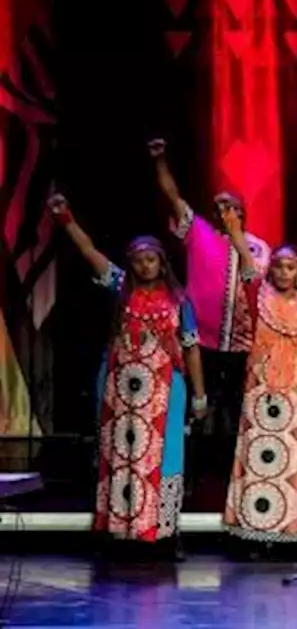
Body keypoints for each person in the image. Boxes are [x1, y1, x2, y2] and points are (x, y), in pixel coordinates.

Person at [48, 194, 206, 557]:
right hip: (123, 392)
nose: (145, 266)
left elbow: (192, 348)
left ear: (161, 262)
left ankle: (165, 535)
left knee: (165, 460)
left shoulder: (179, 301)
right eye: (139, 261)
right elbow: (89, 252)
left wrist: (200, 396)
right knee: (122, 458)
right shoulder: (122, 289)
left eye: (151, 260)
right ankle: (120, 532)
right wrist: (66, 219)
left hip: (168, 391)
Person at [149, 139, 269, 488]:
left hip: (242, 345)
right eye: (218, 207)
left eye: (230, 206)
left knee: (236, 415)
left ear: (242, 212)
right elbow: (173, 196)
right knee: (198, 412)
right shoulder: (198, 232)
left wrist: (236, 236)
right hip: (200, 342)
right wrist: (160, 162)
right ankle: (192, 480)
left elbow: (254, 280)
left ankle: (234, 481)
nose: (223, 211)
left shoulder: (259, 246)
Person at [221, 215, 297, 557]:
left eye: (291, 267)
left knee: (296, 464)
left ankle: (294, 535)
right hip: (261, 392)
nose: (284, 273)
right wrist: (235, 231)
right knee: (259, 462)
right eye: (279, 266)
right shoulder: (260, 298)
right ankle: (255, 534)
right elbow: (248, 266)